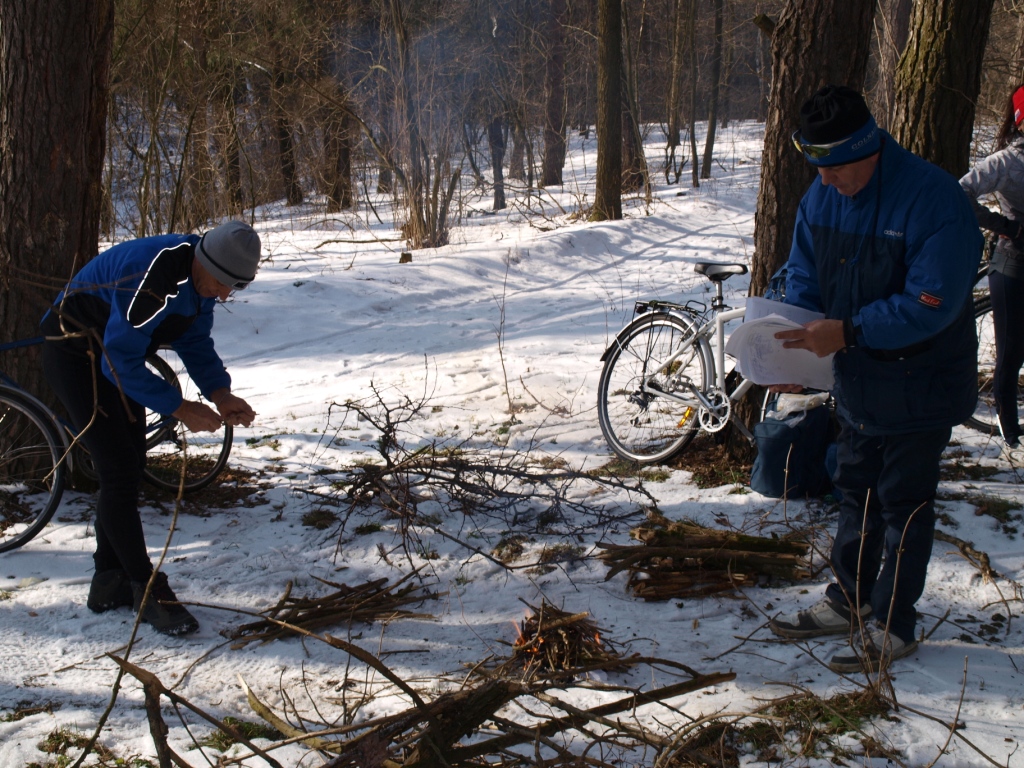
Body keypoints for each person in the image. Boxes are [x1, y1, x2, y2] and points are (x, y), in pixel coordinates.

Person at [767, 86, 982, 673]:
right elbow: (805, 274)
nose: (826, 181)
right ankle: (850, 598)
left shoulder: (933, 198)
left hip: (924, 379)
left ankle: (894, 622)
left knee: (902, 503)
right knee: (854, 488)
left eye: (836, 169)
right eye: (818, 169)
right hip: (858, 378)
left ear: (869, 150)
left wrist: (849, 331)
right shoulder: (823, 194)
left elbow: (932, 303)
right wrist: (793, 349)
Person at [41, 221, 261, 636]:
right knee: (118, 469)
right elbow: (119, 364)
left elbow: (193, 340)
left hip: (112, 354)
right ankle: (147, 590)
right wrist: (180, 408)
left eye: (234, 288)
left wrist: (220, 393)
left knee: (130, 464)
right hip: (74, 348)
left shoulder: (200, 280)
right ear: (205, 262)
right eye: (222, 284)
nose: (224, 295)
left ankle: (109, 580)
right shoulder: (155, 277)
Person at [959, 84, 1024, 467]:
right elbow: (961, 192)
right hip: (1013, 265)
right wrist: (1004, 225)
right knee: (1011, 352)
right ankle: (1011, 435)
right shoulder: (1008, 161)